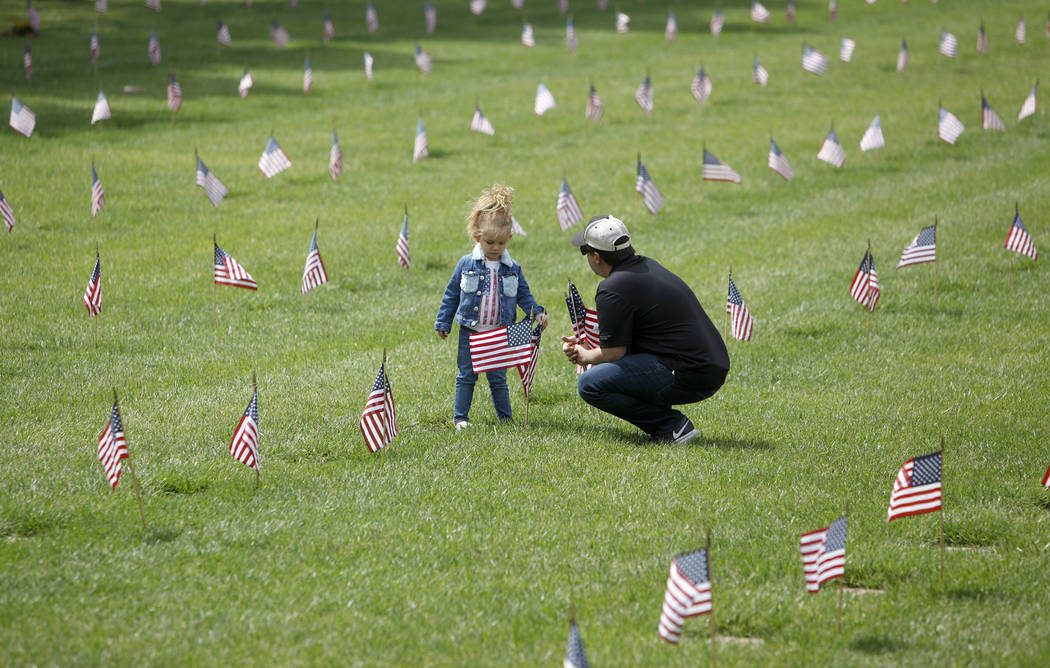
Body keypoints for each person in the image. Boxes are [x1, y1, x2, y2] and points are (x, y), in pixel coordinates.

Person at [561, 215, 729, 443]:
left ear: (597, 257)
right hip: (709, 365)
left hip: (691, 372)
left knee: (590, 384)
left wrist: (584, 355)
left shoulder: (611, 288)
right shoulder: (648, 265)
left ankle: (671, 426)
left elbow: (614, 354)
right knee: (623, 367)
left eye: (586, 252)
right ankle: (668, 422)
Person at [435, 185, 547, 429]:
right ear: (477, 236)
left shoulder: (512, 268)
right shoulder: (466, 264)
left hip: (499, 332)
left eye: (501, 242)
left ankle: (505, 418)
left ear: (509, 239)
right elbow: (452, 293)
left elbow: (523, 295)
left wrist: (537, 311)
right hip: (471, 331)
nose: (495, 247)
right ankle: (461, 418)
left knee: (498, 378)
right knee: (467, 376)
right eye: (489, 241)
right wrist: (443, 322)